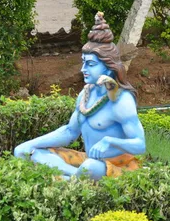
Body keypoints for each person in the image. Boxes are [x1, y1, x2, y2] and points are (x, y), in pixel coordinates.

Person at [13, 12, 146, 180]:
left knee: (90, 167)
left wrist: (110, 141)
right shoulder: (86, 94)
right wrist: (31, 144)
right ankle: (75, 179)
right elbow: (70, 131)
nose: (83, 69)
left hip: (115, 167)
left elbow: (140, 145)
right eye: (83, 62)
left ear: (109, 67)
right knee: (26, 152)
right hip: (88, 161)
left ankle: (68, 179)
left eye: (90, 64)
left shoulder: (121, 100)